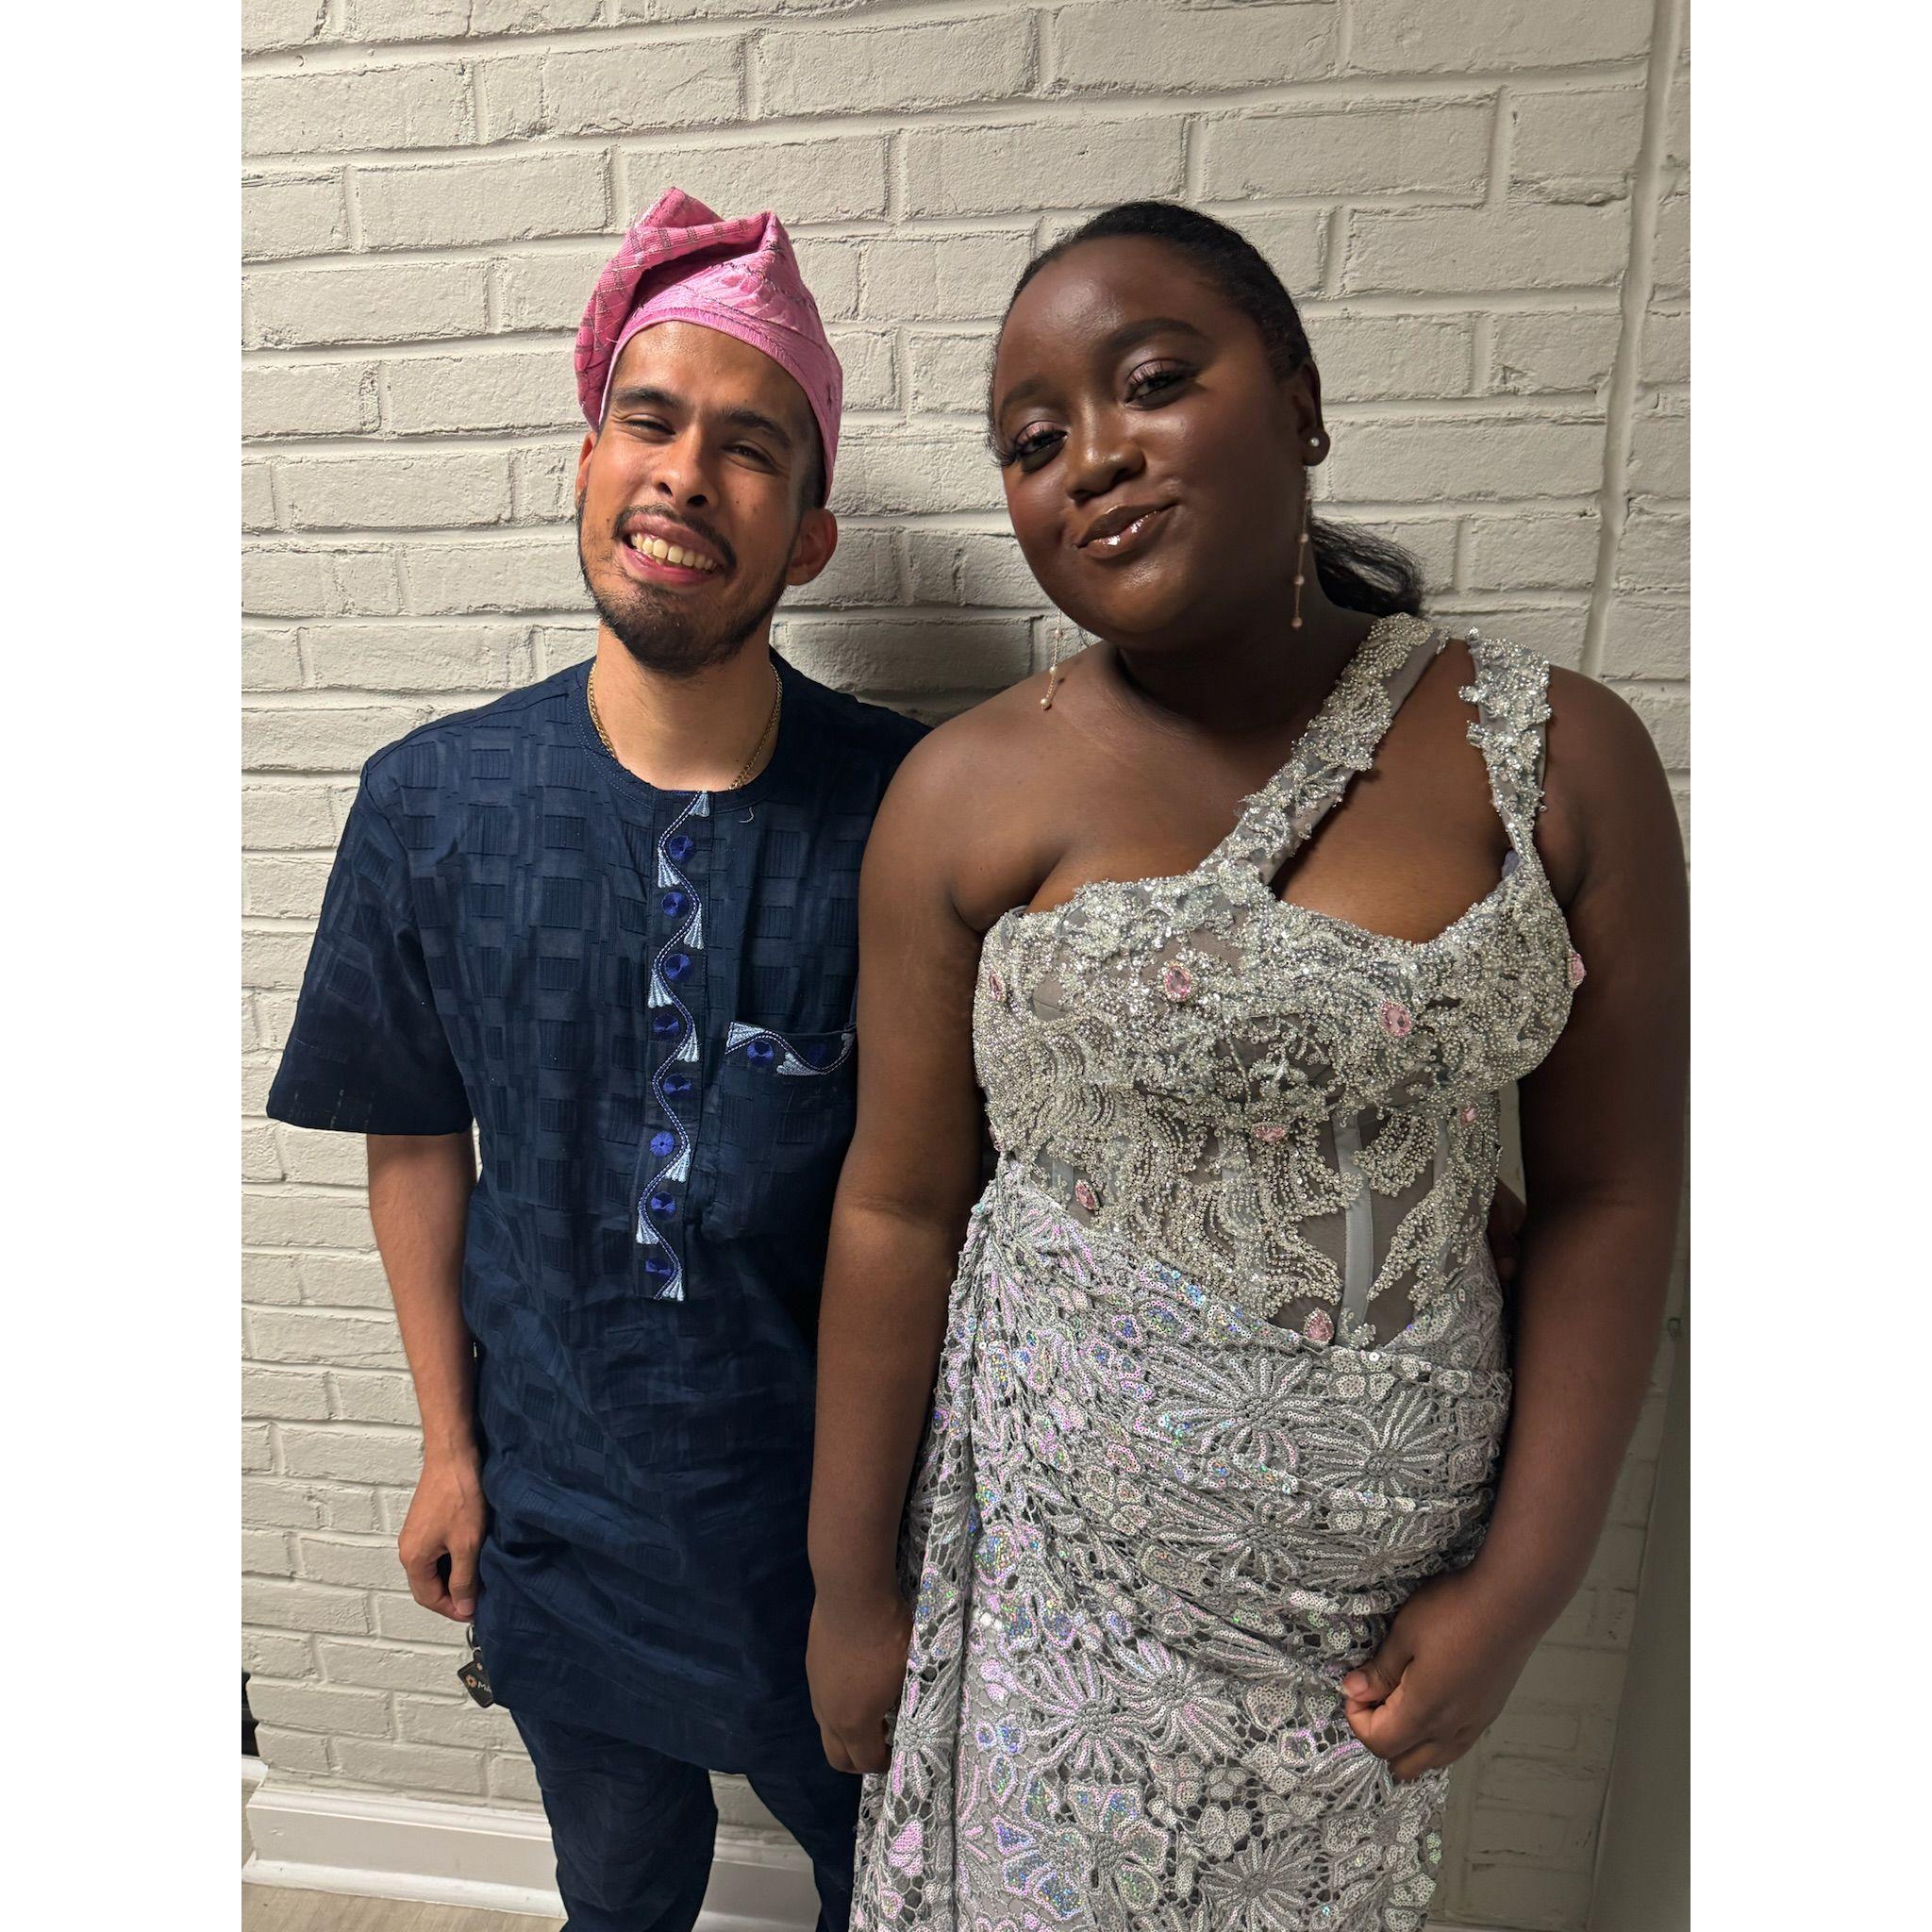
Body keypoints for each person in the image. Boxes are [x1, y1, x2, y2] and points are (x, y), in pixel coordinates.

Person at [805, 202, 1689, 1931]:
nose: (1092, 457)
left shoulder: (1557, 754)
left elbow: (1612, 1192)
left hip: (1371, 1626)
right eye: (1032, 440)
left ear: (1299, 402)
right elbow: (896, 1209)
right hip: (1059, 1589)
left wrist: (1525, 1587)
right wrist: (849, 1590)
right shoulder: (964, 794)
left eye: (1152, 381)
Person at [265, 188, 924, 1932]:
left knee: (892, 1884)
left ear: (811, 537)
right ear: (584, 463)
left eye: (750, 447)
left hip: (841, 1533)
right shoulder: (431, 804)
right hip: (559, 1511)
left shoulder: (914, 809)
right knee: (620, 1890)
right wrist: (446, 1448)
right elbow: (416, 1135)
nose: (686, 475)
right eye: (650, 420)